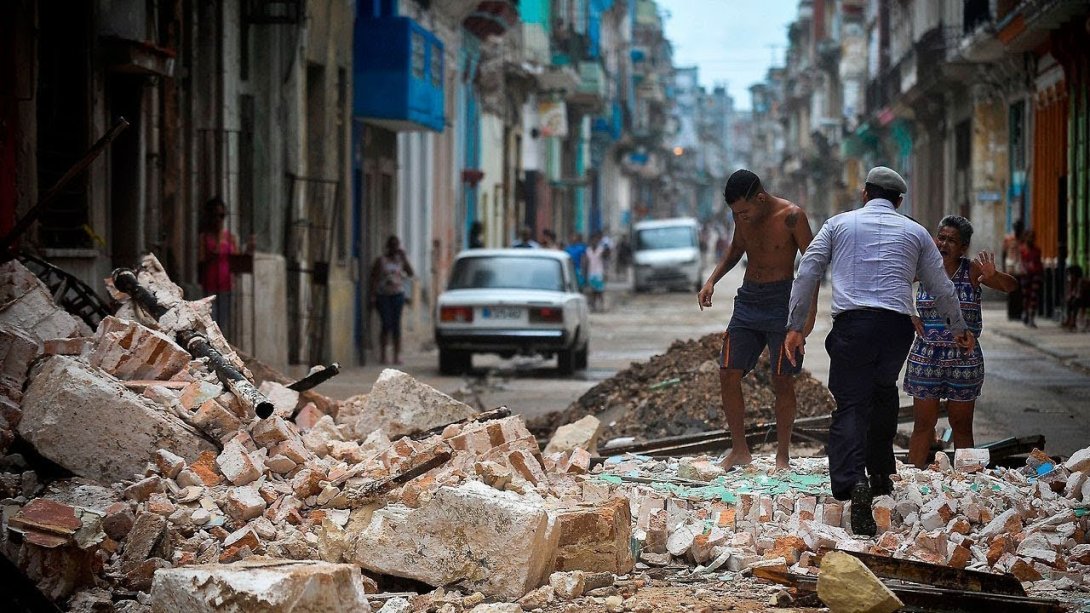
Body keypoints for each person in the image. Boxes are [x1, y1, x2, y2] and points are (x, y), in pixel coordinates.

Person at [783, 166, 975, 537]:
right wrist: (959, 329)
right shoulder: (916, 232)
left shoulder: (838, 225)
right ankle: (882, 473)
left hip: (854, 326)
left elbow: (807, 272)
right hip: (896, 330)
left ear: (864, 194)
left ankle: (853, 481)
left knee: (851, 403)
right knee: (883, 392)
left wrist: (795, 326)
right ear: (899, 201)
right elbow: (941, 286)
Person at [697, 169, 816, 471]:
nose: (742, 217)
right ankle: (740, 450)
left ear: (761, 198)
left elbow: (812, 268)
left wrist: (805, 319)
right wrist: (712, 280)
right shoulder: (742, 217)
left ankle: (783, 456)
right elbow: (736, 249)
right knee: (727, 371)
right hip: (749, 300)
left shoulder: (793, 216)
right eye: (737, 213)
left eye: (745, 211)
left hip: (782, 302)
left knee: (782, 379)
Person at [903, 216, 1018, 469]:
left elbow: (1011, 286)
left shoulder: (972, 270)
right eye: (941, 238)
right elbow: (892, 284)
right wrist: (909, 313)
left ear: (963, 247)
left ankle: (967, 487)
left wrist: (993, 275)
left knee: (962, 426)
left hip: (964, 360)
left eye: (952, 240)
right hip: (926, 357)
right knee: (923, 425)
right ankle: (910, 480)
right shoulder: (923, 268)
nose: (944, 244)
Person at [370, 236, 415, 365]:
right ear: (388, 247)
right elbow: (374, 278)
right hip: (383, 295)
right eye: (392, 245)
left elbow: (411, 273)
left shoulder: (401, 260)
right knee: (386, 324)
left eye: (397, 245)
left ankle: (396, 355)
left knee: (396, 326)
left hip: (398, 295)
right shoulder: (381, 260)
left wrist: (404, 258)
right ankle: (383, 355)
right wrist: (372, 296)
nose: (395, 248)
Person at [198, 197, 239, 333]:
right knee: (210, 323)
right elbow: (201, 259)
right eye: (215, 215)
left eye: (221, 216)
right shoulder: (204, 237)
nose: (218, 219)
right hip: (209, 285)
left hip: (226, 286)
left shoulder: (230, 238)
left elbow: (237, 261)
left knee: (222, 325)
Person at [1020, 230, 1043, 327]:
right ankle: (1026, 313)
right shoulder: (1023, 250)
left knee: (1033, 296)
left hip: (1035, 275)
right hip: (1026, 275)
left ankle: (1031, 317)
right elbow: (1021, 262)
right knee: (1026, 296)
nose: (1030, 239)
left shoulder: (1037, 250)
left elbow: (1038, 264)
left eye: (1032, 237)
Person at [1002, 220, 1024, 320]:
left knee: (1019, 291)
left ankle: (1018, 313)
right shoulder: (1009, 239)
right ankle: (1011, 314)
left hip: (1020, 267)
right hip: (1010, 267)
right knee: (1011, 291)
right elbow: (1004, 253)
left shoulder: (1023, 239)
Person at [584, 232, 608, 312]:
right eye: (593, 240)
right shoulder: (588, 250)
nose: (594, 241)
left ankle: (602, 306)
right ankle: (593, 307)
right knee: (592, 291)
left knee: (600, 291)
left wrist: (605, 273)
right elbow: (586, 262)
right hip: (591, 273)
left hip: (599, 273)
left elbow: (605, 260)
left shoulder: (601, 249)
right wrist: (585, 273)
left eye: (596, 240)